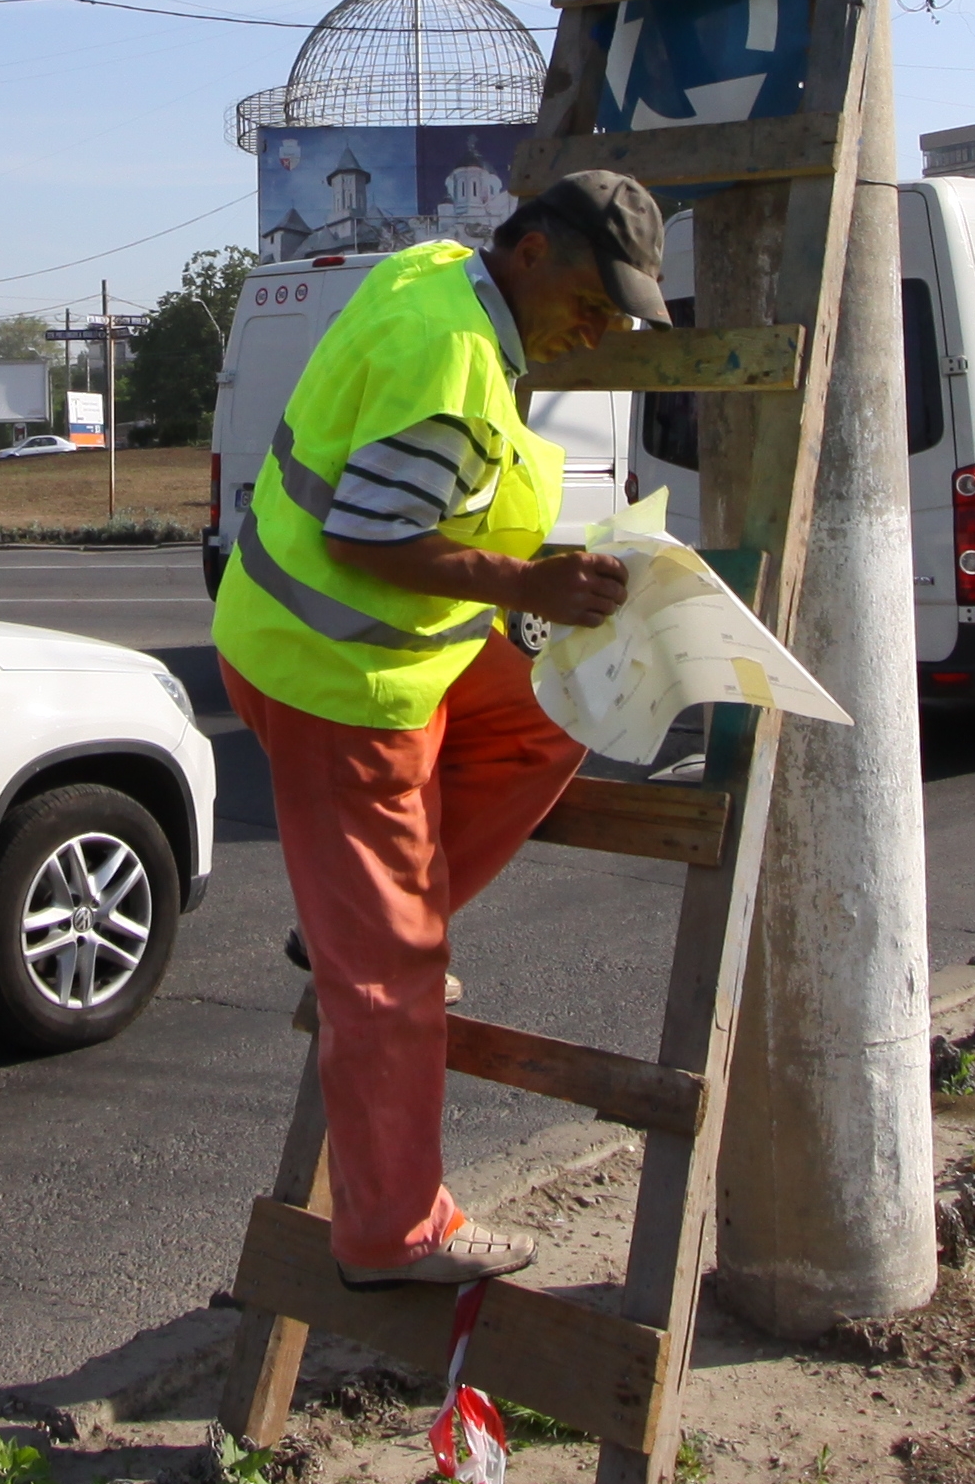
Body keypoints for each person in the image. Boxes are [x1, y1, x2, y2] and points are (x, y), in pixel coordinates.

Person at [210, 167, 667, 1288]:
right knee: (395, 976)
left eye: (618, 314)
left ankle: (354, 928)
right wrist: (530, 586)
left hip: (366, 645)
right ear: (533, 251)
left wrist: (530, 595)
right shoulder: (453, 366)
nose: (598, 331)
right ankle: (394, 1232)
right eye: (594, 301)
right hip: (336, 678)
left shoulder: (440, 276)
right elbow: (370, 540)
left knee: (557, 713)